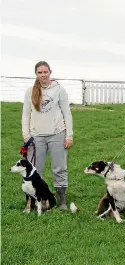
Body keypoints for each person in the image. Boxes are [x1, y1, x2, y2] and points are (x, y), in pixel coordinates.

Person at [22, 61, 74, 211]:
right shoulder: (30, 91)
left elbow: (67, 113)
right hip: (36, 136)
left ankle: (62, 200)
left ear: (50, 72)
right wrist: (26, 135)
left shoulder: (59, 89)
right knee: (34, 170)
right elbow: (25, 115)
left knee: (59, 168)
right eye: (40, 72)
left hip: (57, 133)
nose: (43, 75)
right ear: (36, 74)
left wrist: (68, 136)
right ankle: (35, 200)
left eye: (45, 72)